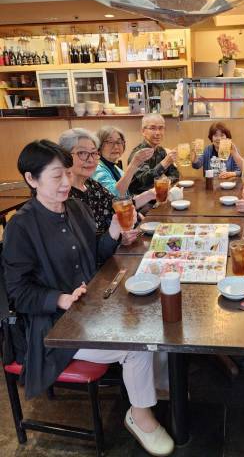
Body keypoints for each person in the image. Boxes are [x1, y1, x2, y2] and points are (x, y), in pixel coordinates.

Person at [2, 140, 174, 456]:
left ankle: (153, 389)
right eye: (56, 176)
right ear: (32, 179)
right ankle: (139, 416)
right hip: (55, 326)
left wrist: (113, 232)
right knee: (136, 346)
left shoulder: (76, 208)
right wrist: (60, 299)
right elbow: (18, 292)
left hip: (92, 306)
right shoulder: (21, 227)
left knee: (150, 312)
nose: (66, 182)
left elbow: (94, 256)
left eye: (67, 174)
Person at [93, 125, 155, 199]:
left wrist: (149, 195)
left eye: (119, 142)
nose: (116, 147)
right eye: (110, 142)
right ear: (99, 145)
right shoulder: (96, 169)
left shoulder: (116, 168)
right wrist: (134, 164)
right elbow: (114, 197)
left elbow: (126, 198)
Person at [128, 114, 179, 194]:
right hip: (139, 199)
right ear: (143, 131)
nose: (158, 133)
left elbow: (175, 175)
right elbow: (145, 180)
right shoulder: (138, 154)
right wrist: (165, 163)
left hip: (158, 195)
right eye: (153, 128)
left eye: (161, 128)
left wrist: (164, 182)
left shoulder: (161, 151)